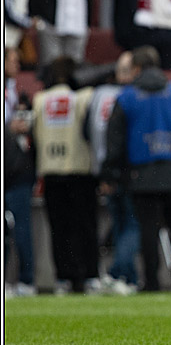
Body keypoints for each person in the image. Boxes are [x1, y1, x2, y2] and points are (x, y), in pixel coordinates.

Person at [102, 46, 171, 292]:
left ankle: (152, 281)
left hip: (141, 172)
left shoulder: (126, 97)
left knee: (148, 228)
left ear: (136, 68)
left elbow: (114, 141)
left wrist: (110, 173)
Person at [32, 57, 99, 294]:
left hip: (51, 170)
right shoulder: (83, 98)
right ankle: (89, 275)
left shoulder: (40, 100)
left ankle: (63, 276)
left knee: (58, 229)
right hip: (80, 170)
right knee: (85, 226)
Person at [85, 52, 139, 293]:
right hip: (128, 170)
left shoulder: (98, 96)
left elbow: (86, 131)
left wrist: (104, 171)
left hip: (103, 167)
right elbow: (123, 139)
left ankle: (127, 276)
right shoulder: (130, 97)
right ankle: (120, 273)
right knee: (131, 224)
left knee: (119, 223)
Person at [5, 49, 35, 296]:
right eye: (12, 60)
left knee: (22, 225)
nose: (17, 63)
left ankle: (26, 279)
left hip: (17, 167)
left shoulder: (15, 91)